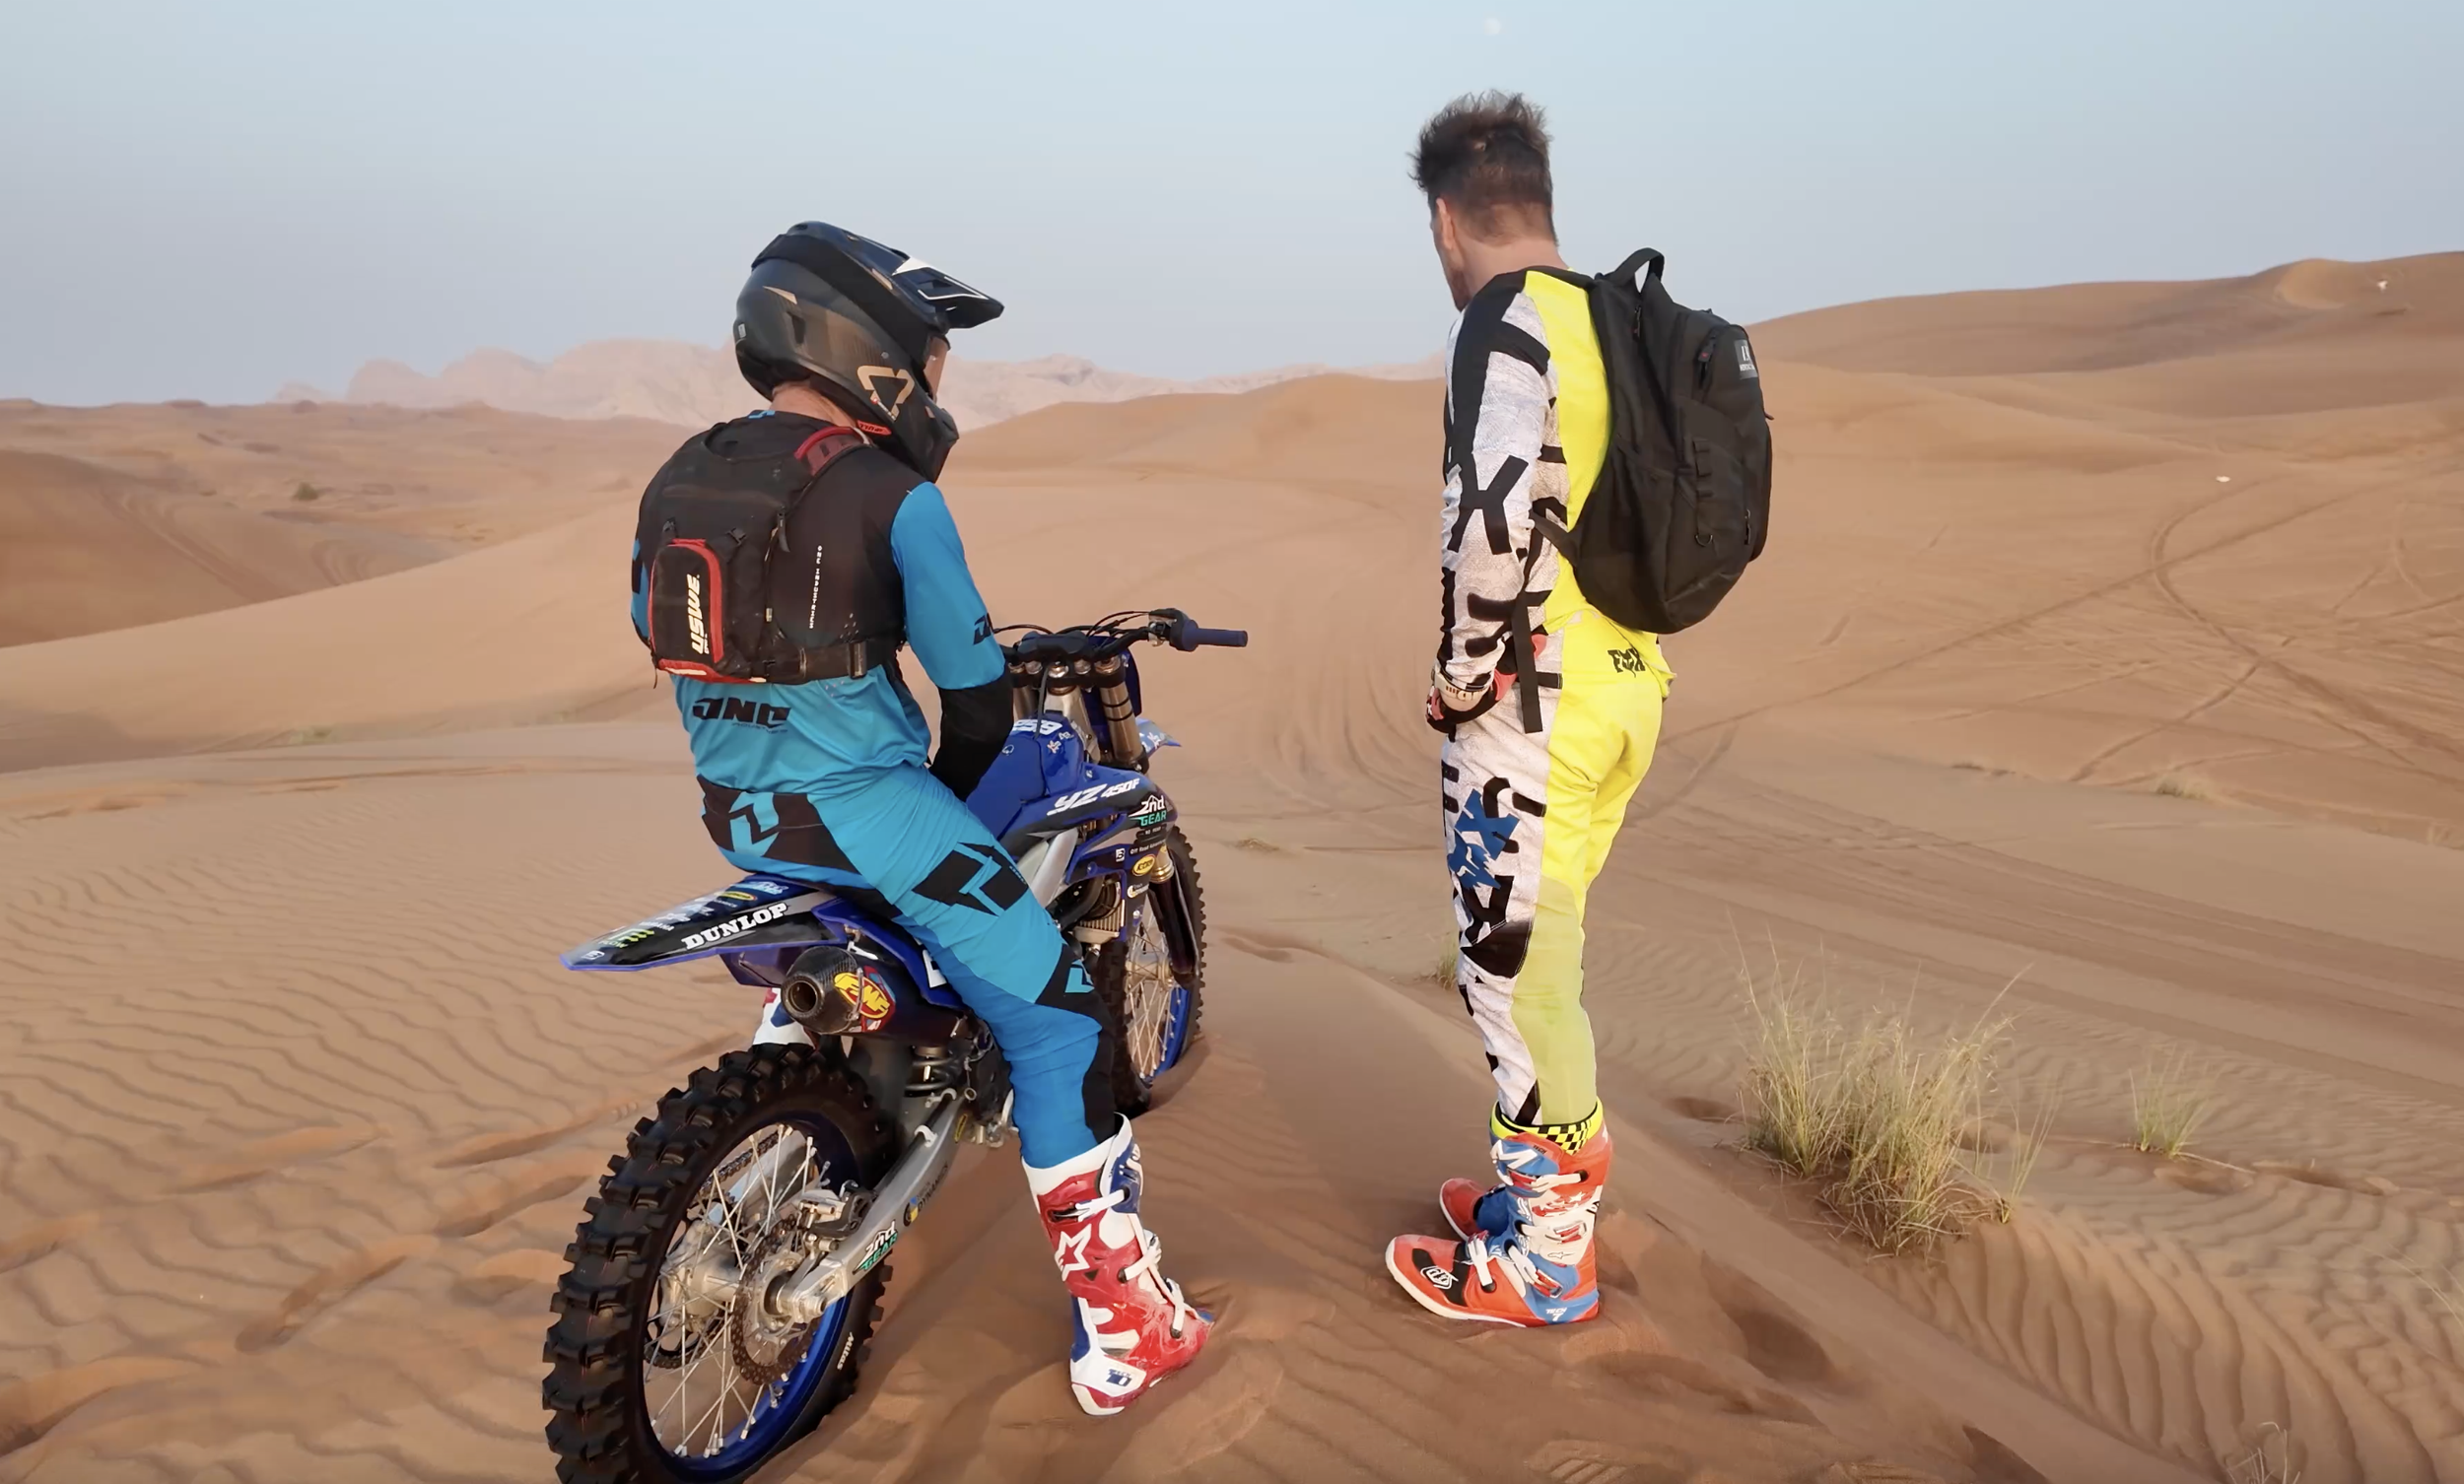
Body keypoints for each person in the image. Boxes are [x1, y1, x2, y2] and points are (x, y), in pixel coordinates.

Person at [630, 223, 1209, 1412]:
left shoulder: (681, 475)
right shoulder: (890, 495)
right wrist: (939, 792)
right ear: (868, 351)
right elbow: (977, 697)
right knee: (1058, 1021)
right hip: (868, 818)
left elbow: (662, 632)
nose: (938, 382)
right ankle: (1127, 1328)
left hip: (738, 814)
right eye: (932, 356)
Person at [1384, 97, 1674, 1326]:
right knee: (1547, 964)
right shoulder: (1611, 318)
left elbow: (1494, 516)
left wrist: (1462, 675)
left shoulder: (1501, 324)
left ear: (1445, 221)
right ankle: (1536, 1203)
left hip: (1532, 708)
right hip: (1626, 687)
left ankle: (1550, 1262)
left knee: (1512, 979)